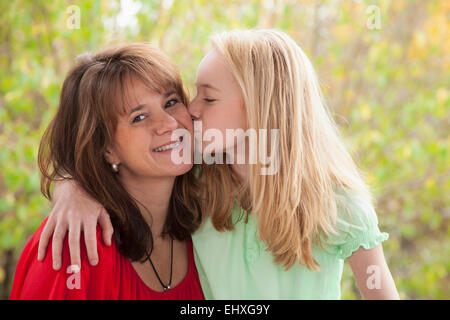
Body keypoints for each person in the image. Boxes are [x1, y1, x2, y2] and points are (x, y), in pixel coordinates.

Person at [36, 29, 399, 299]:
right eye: (193, 95)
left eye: (207, 97)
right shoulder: (200, 181)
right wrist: (73, 187)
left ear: (259, 111)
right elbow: (112, 157)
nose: (191, 110)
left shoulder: (338, 204)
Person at [10, 43, 205, 300]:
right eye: (139, 117)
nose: (170, 124)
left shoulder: (208, 225)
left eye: (170, 102)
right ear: (106, 148)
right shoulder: (72, 248)